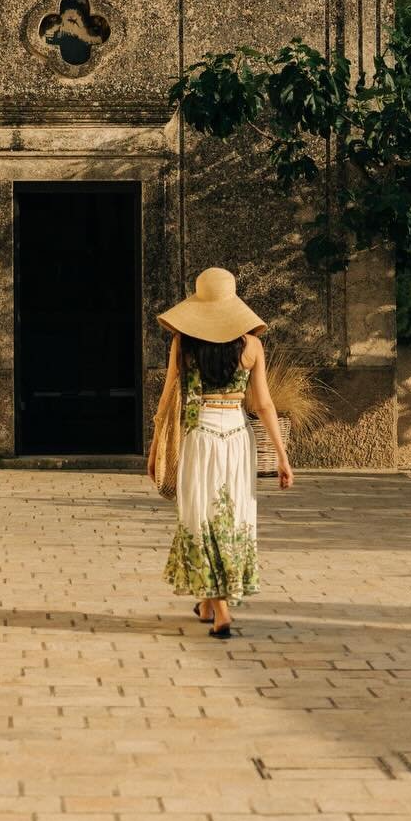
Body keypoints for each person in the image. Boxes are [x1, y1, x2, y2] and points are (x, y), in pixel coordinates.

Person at [146, 267, 293, 639]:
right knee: (233, 516)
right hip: (237, 438)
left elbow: (167, 399)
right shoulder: (252, 346)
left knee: (201, 516)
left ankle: (221, 611)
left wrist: (155, 447)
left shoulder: (184, 343)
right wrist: (281, 455)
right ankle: (209, 602)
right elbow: (263, 404)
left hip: (200, 436)